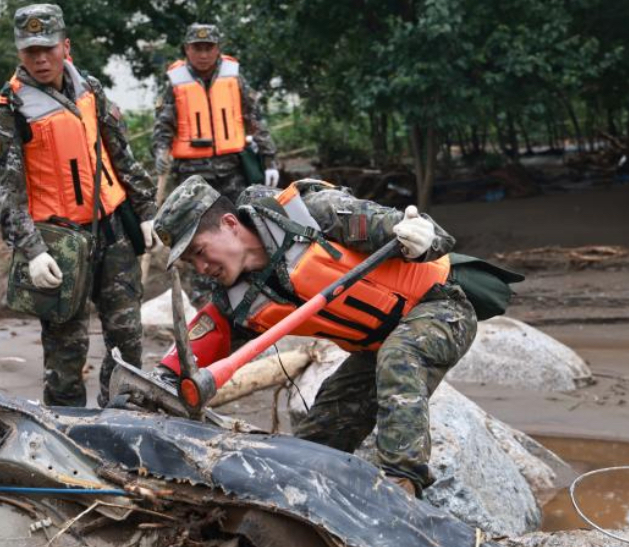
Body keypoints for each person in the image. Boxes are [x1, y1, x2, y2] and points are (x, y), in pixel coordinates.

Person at [152, 176, 504, 497]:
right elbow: (195, 345)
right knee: (317, 436)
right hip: (376, 345)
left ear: (229, 224)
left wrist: (422, 240)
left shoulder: (311, 214)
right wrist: (162, 381)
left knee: (399, 356)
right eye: (190, 263)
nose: (200, 268)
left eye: (199, 251)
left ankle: (403, 490)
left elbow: (434, 234)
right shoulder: (235, 298)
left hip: (442, 305)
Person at [0, 4, 159, 407]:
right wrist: (31, 251)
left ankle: (123, 421)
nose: (41, 58)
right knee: (66, 355)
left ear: (67, 47)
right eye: (31, 51)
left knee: (128, 340)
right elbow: (8, 193)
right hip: (60, 245)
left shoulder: (90, 90)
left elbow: (121, 153)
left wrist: (147, 210)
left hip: (114, 231)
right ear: (19, 53)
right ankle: (68, 438)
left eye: (48, 48)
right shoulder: (8, 109)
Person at [152, 23, 277, 304]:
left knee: (241, 231)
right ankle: (205, 302)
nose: (203, 54)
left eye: (209, 48)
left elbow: (254, 119)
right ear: (187, 49)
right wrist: (160, 153)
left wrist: (269, 159)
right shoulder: (175, 82)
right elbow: (163, 127)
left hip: (232, 169)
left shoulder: (234, 78)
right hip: (192, 177)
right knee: (198, 242)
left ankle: (255, 294)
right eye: (197, 48)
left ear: (218, 48)